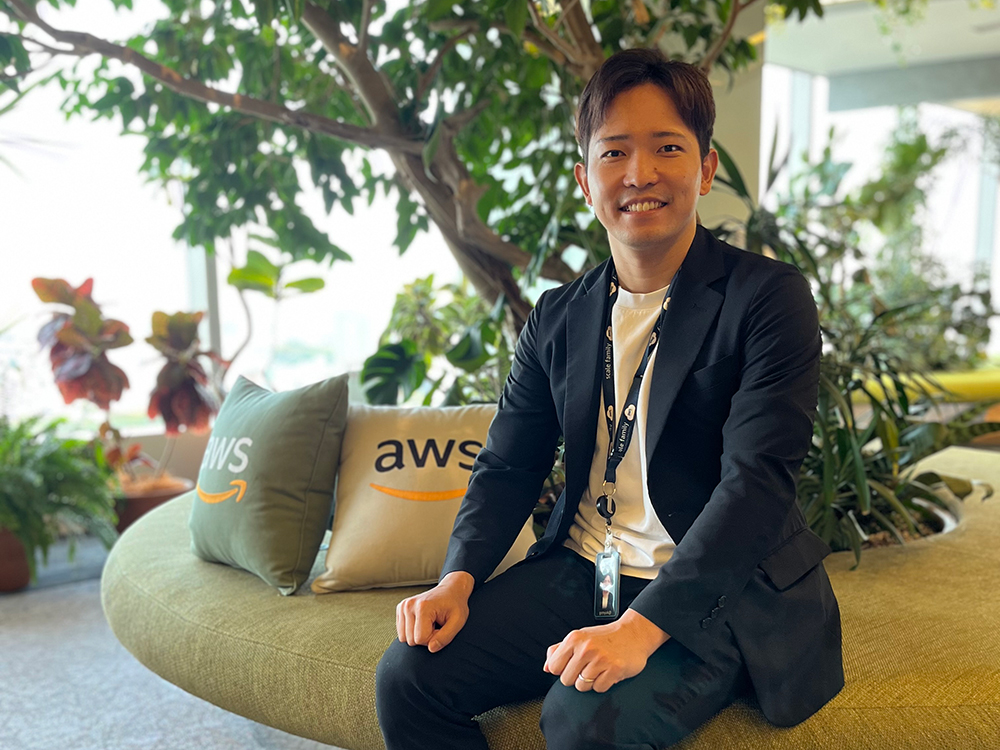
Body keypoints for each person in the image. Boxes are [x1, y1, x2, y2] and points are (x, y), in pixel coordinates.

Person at [376, 47, 844, 750]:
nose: (639, 173)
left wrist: (642, 628)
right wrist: (458, 579)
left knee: (584, 719)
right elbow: (507, 465)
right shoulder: (558, 315)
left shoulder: (767, 298)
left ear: (706, 169)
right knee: (409, 675)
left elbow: (755, 485)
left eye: (667, 148)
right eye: (615, 152)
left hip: (716, 589)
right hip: (585, 569)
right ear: (585, 181)